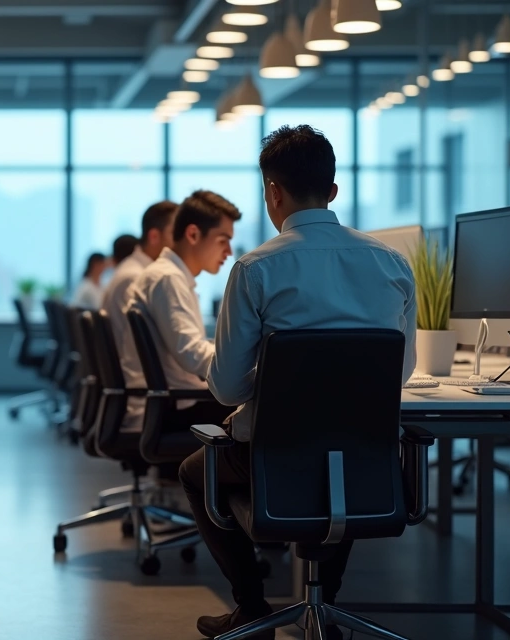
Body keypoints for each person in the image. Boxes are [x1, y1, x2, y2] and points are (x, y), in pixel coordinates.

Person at [180, 125, 416, 640]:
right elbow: (401, 374)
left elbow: (226, 388)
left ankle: (251, 605)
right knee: (349, 449)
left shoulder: (255, 269)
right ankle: (324, 604)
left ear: (273, 192)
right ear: (333, 191)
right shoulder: (394, 265)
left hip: (275, 456)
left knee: (195, 470)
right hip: (366, 463)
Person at [125, 190, 240, 426]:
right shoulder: (168, 278)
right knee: (268, 414)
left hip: (171, 403)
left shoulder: (167, 275)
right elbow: (191, 353)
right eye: (223, 240)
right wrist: (246, 367)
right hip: (176, 409)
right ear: (193, 234)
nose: (228, 251)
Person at [102, 201, 180, 430]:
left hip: (137, 388)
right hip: (142, 394)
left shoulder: (131, 270)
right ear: (155, 236)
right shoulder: (138, 277)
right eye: (175, 233)